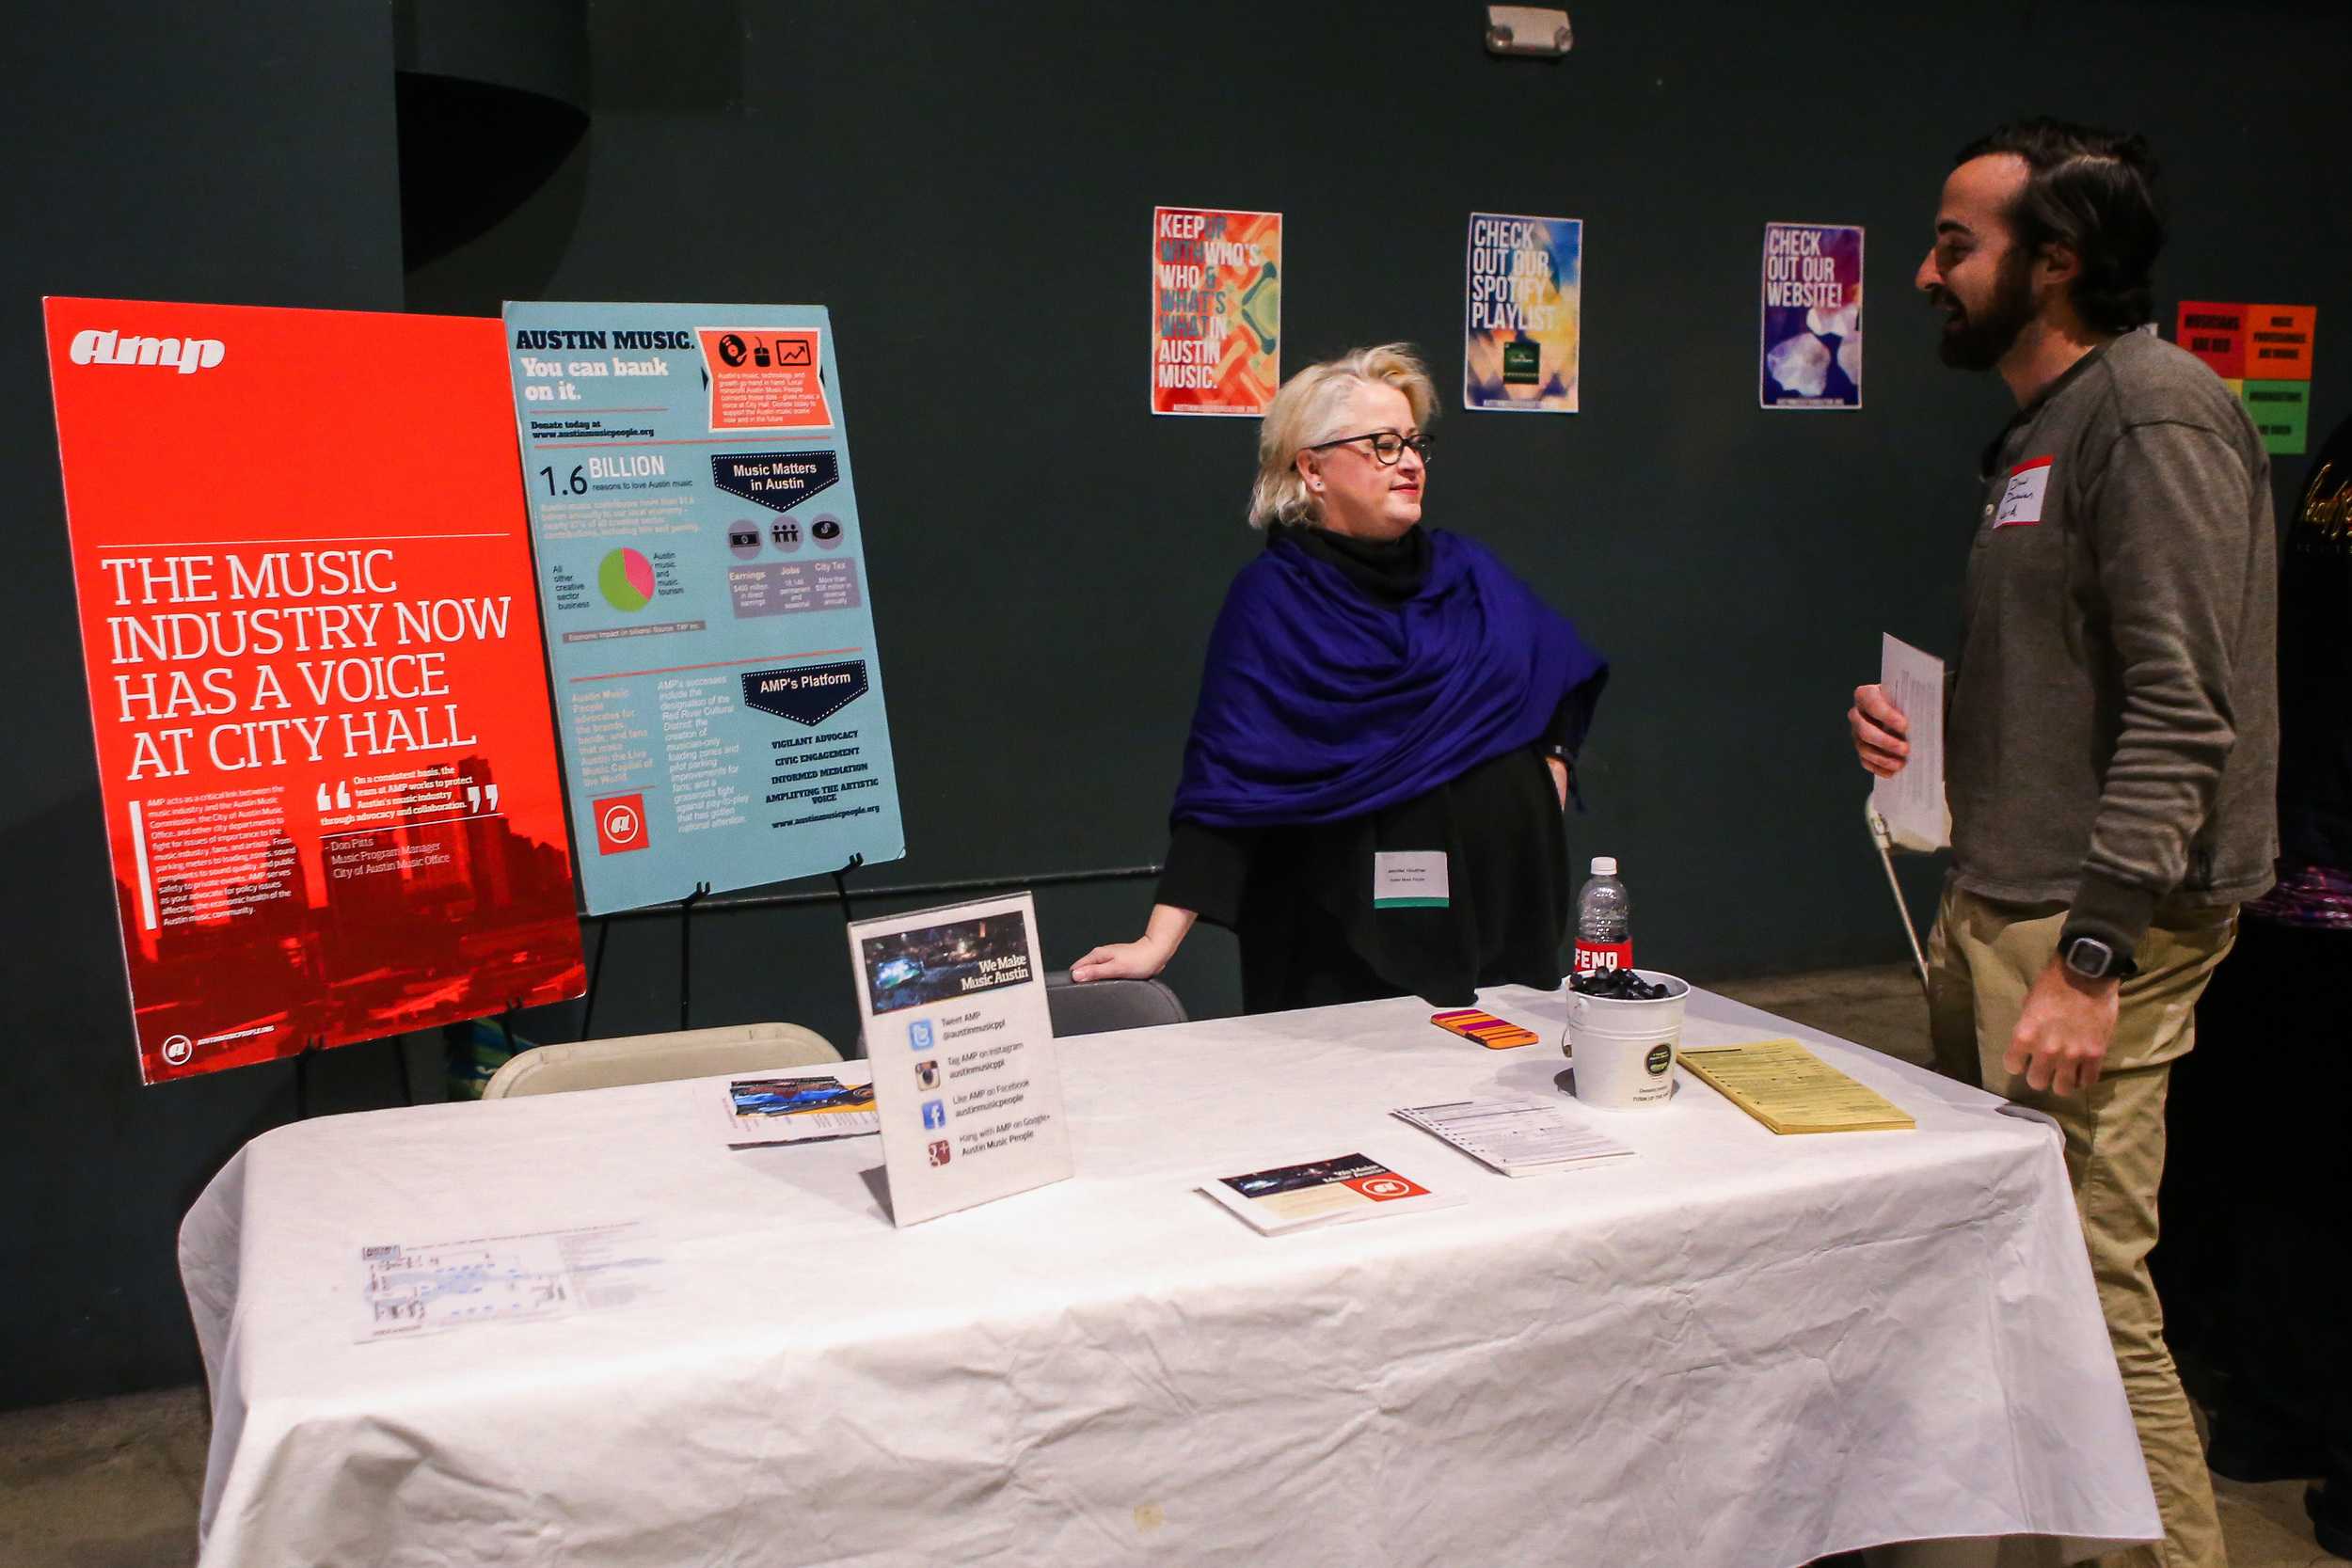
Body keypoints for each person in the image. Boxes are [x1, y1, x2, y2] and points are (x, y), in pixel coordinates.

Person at [1847, 119, 2277, 1568]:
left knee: (2093, 1296)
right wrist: (1937, 742)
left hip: (2099, 932)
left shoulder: (2153, 413)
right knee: (2014, 1286)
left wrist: (2094, 955)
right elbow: (2086, 677)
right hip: (2002, 896)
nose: (1924, 272)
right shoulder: (2045, 426)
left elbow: (2183, 704)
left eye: (1956, 244)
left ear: (2059, 260)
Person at [1073, 343, 1607, 1011]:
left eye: (1415, 443)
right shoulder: (1274, 601)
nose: (1410, 462)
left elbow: (1559, 669)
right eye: (1383, 445)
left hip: (1503, 930)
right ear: (1313, 468)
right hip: (1349, 946)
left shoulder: (1469, 574)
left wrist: (1550, 767)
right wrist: (1158, 940)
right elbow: (1229, 780)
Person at [2156, 414, 2352, 1558]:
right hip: (2290, 876)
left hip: (2306, 860)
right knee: (2279, 1168)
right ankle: (2277, 1410)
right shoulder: (2335, 448)